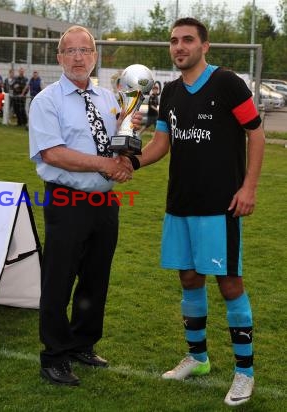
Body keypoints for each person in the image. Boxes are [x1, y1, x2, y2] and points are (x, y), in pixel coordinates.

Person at [134, 18, 264, 406]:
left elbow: (256, 133)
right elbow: (161, 143)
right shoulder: (170, 91)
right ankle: (199, 357)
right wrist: (131, 163)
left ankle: (245, 373)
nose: (179, 47)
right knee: (189, 278)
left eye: (187, 40)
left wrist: (249, 187)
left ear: (204, 46)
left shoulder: (227, 83)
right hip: (180, 203)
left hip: (220, 205)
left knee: (229, 283)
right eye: (173, 41)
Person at [28, 25, 135, 387]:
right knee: (58, 279)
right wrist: (106, 165)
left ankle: (81, 343)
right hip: (66, 199)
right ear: (59, 58)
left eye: (85, 50)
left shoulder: (110, 98)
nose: (78, 57)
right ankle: (54, 357)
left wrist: (125, 155)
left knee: (95, 277)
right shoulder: (47, 101)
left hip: (104, 202)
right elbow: (52, 153)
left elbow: (116, 141)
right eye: (70, 51)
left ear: (94, 56)